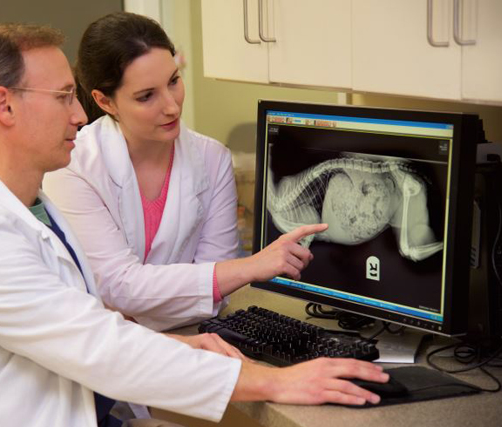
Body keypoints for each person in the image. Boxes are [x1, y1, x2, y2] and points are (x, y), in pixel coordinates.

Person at [0, 22, 388, 427]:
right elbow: (101, 348)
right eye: (63, 98)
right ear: (3, 107)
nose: (80, 115)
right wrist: (276, 380)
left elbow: (85, 321)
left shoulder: (32, 207)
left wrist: (176, 343)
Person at [43, 12, 315, 331]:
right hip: (100, 352)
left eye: (173, 81)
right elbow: (118, 286)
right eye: (147, 96)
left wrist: (134, 309)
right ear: (105, 102)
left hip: (184, 338)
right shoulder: (73, 167)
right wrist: (249, 268)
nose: (172, 106)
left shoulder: (212, 158)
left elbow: (219, 292)